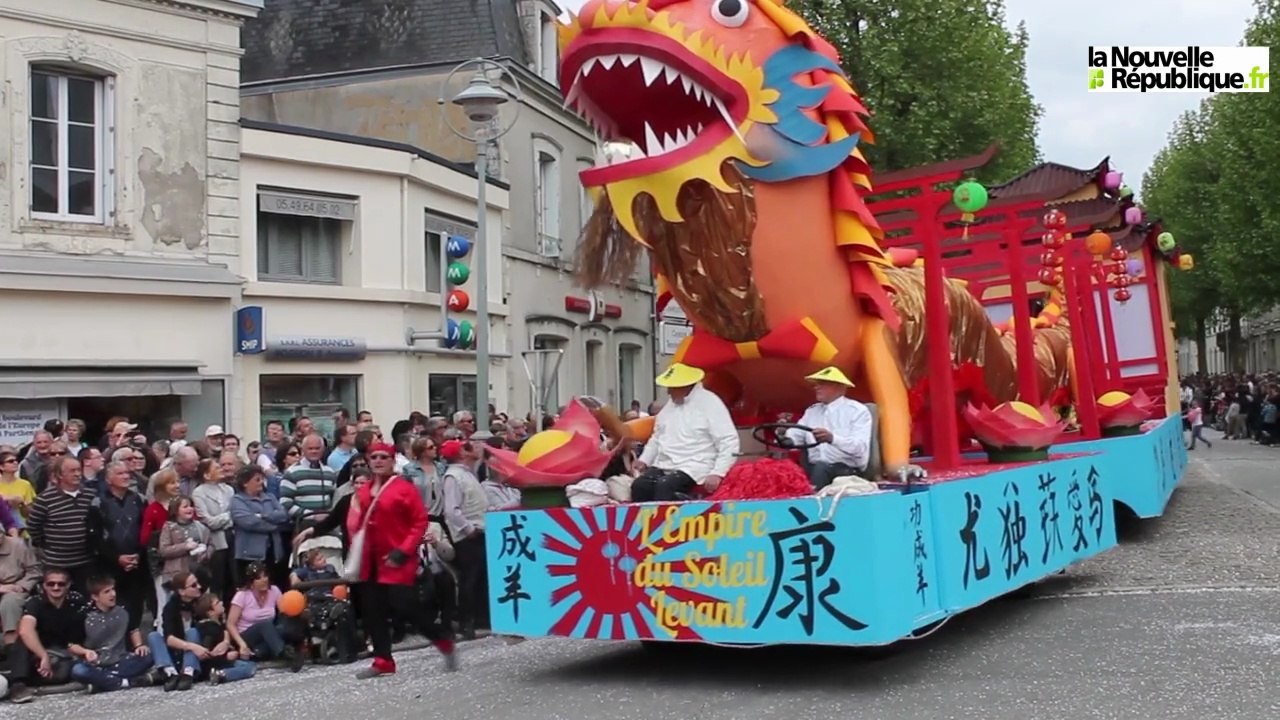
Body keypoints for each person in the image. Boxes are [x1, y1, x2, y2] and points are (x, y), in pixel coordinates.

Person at [349, 441, 456, 678]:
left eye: (383, 457)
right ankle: (383, 659)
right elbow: (359, 523)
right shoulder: (365, 490)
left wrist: (404, 549)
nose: (378, 461)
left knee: (406, 608)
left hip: (397, 559)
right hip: (371, 562)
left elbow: (419, 522)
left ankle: (441, 639)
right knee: (373, 611)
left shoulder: (403, 488)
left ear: (392, 461)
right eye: (374, 457)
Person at [634, 363, 740, 501]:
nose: (668, 392)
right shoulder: (669, 407)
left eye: (671, 388)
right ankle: (641, 521)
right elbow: (657, 437)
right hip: (665, 463)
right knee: (640, 486)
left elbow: (728, 440)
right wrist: (644, 460)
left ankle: (669, 522)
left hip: (696, 465)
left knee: (666, 487)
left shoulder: (710, 404)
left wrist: (718, 472)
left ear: (685, 387)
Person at [782, 366, 874, 488]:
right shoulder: (812, 412)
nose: (816, 387)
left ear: (839, 387)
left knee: (821, 468)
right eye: (816, 384)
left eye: (823, 384)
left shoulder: (857, 411)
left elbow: (859, 448)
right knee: (787, 472)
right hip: (814, 469)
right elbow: (797, 433)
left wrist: (832, 439)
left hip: (846, 472)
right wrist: (787, 438)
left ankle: (811, 501)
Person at [6, 568, 88, 704]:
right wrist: (43, 656)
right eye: (51, 584)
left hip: (67, 650)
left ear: (68, 585)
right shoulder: (35, 602)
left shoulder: (77, 601)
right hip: (39, 651)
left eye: (61, 584)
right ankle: (18, 686)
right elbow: (26, 630)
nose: (56, 587)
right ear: (44, 585)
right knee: (21, 642)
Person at [69, 575, 154, 693]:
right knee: (78, 670)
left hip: (121, 660)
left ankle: (103, 683)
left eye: (113, 589)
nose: (113, 594)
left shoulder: (123, 609)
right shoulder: (83, 615)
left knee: (149, 655)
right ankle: (127, 682)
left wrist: (139, 645)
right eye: (107, 592)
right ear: (95, 596)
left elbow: (133, 629)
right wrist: (85, 652)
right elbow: (72, 645)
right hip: (96, 663)